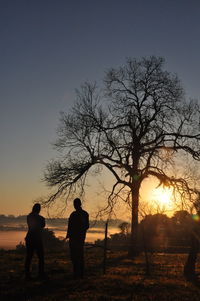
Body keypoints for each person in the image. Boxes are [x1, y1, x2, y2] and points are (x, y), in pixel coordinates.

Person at [66, 198, 89, 279]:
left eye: (75, 204)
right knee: (78, 255)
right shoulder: (84, 214)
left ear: (77, 204)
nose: (74, 206)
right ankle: (79, 273)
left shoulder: (75, 214)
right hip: (79, 237)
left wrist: (69, 235)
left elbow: (70, 226)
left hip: (75, 238)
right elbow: (86, 226)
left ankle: (78, 273)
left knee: (76, 255)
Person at [25, 203, 46, 280]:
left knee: (29, 257)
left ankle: (27, 274)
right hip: (37, 239)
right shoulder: (41, 218)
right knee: (41, 257)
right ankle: (41, 273)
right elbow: (42, 225)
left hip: (29, 238)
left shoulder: (29, 217)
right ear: (39, 209)